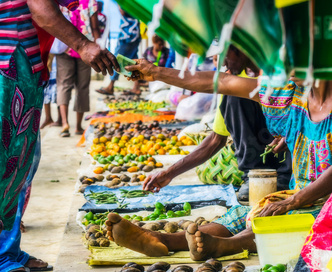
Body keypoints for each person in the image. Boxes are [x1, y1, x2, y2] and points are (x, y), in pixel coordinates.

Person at [104, 58, 332, 260]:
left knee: (286, 217)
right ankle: (163, 239)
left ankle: (226, 246)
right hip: (300, 195)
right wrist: (156, 72)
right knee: (243, 214)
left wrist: (293, 201)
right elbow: (221, 81)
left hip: (323, 203)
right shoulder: (290, 96)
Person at [0, 0, 119, 272]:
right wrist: (84, 45)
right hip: (9, 64)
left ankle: (8, 250)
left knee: (17, 169)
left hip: (23, 64)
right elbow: (41, 9)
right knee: (6, 168)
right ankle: (3, 258)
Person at [143, 45, 291, 202]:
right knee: (233, 94)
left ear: (241, 49)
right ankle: (255, 173)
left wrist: (155, 72)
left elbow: (213, 80)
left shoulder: (276, 72)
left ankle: (284, 177)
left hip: (290, 160)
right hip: (262, 159)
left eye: (225, 55)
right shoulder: (232, 81)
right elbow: (215, 140)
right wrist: (169, 173)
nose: (223, 63)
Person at [56, 0, 101, 137]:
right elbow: (95, 29)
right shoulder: (90, 2)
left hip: (65, 46)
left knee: (64, 85)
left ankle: (65, 124)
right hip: (86, 49)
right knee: (82, 86)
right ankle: (78, 126)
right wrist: (99, 47)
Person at [96, 8, 141, 96]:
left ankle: (111, 86)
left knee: (117, 60)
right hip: (133, 33)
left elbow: (123, 11)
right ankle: (136, 87)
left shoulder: (127, 4)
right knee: (133, 61)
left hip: (128, 34)